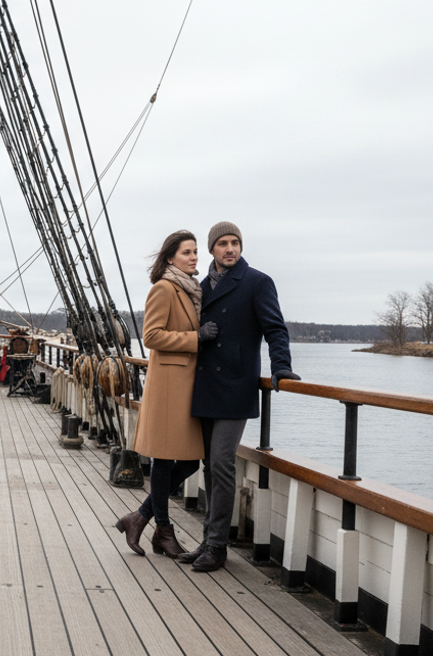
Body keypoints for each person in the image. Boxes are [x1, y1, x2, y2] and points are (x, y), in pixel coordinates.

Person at [178, 222, 300, 572]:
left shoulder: (257, 282)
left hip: (235, 386)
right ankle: (207, 540)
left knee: (221, 462)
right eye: (222, 244)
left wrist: (281, 367)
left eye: (235, 243)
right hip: (204, 387)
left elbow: (275, 328)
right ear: (212, 249)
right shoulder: (200, 288)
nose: (230, 249)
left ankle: (217, 547)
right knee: (209, 466)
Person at [115, 230, 212, 557]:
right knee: (165, 460)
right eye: (187, 252)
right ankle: (163, 531)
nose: (194, 257)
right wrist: (196, 339)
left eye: (196, 252)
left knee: (188, 463)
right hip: (169, 387)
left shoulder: (189, 290)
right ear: (170, 258)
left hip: (185, 388)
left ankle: (140, 519)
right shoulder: (164, 288)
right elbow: (152, 335)